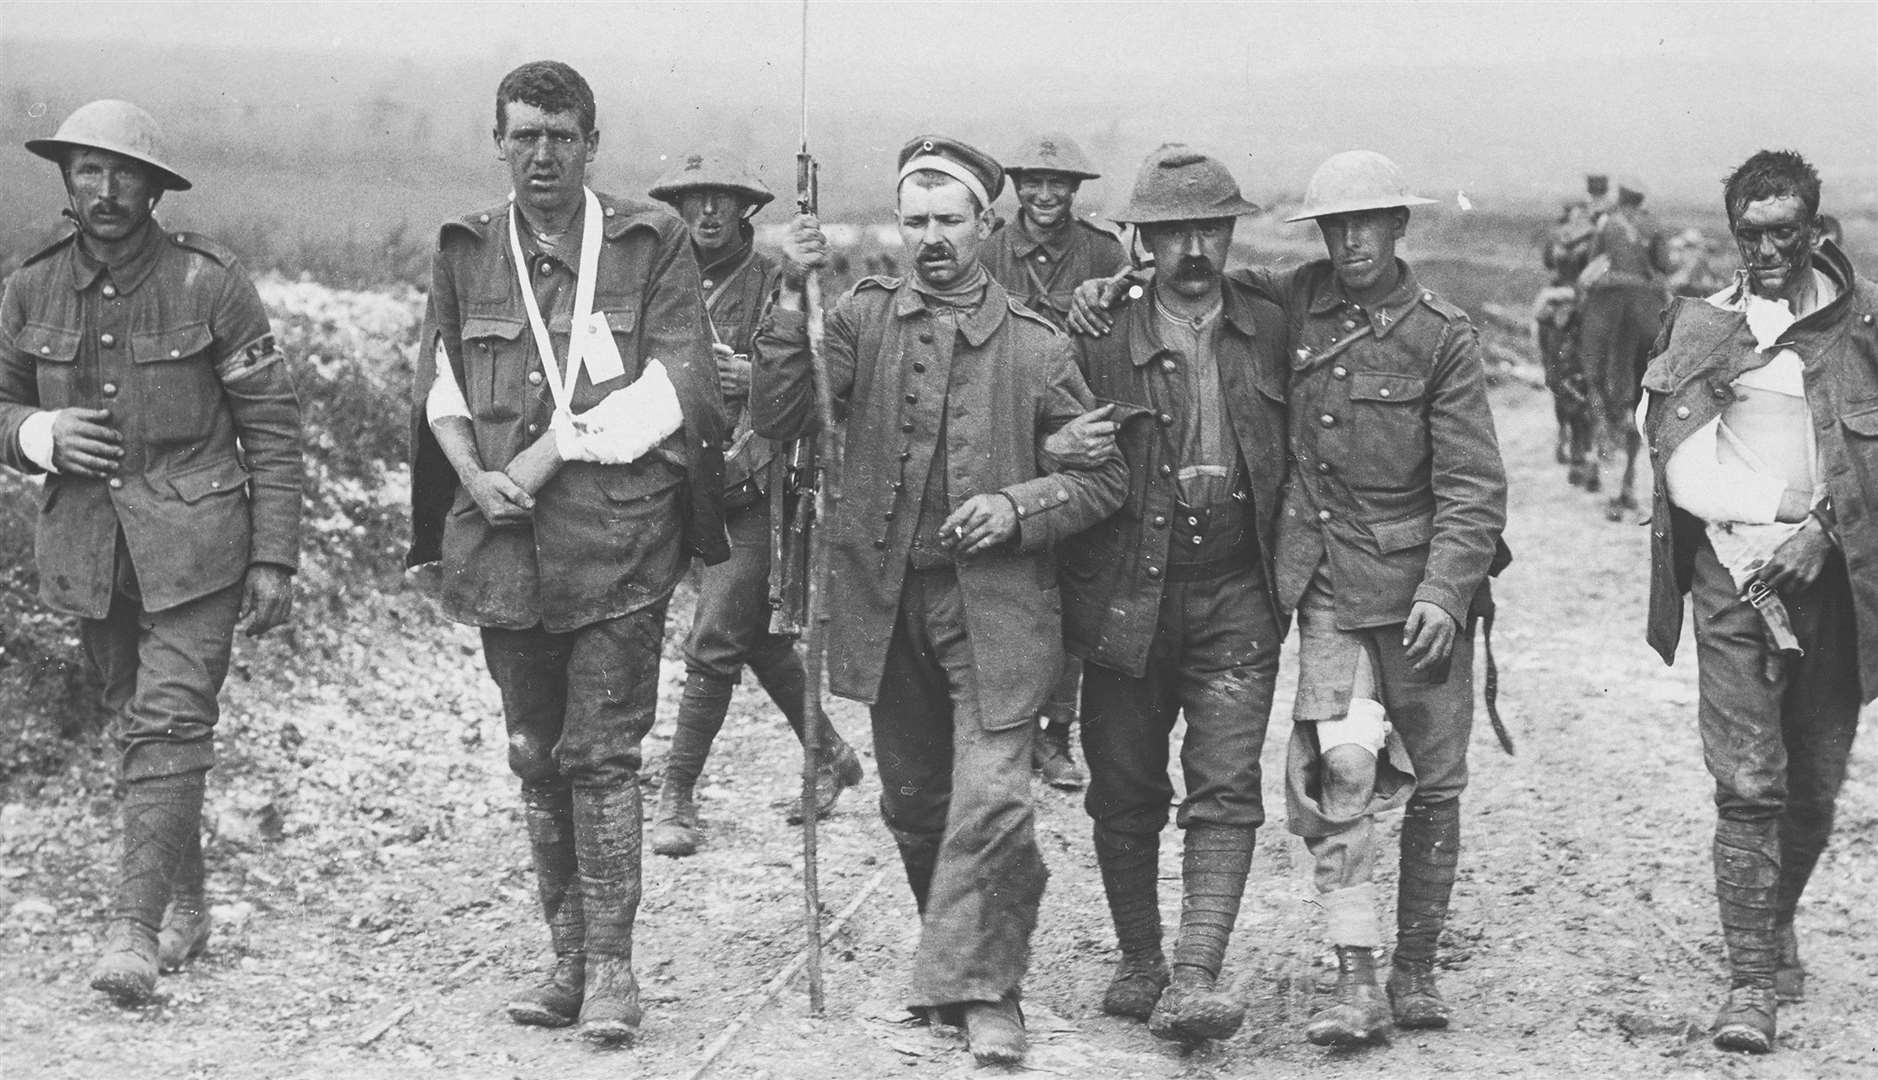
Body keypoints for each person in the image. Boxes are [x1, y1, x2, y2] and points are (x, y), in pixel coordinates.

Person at [1072, 151, 1507, 1045]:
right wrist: (1110, 284)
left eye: (1369, 222)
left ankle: (1415, 969)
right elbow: (1190, 283)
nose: (1352, 241)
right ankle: (1356, 983)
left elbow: (1473, 485)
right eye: (1335, 225)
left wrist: (1448, 590)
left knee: (1438, 783)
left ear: (1400, 226)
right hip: (1325, 594)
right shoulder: (1294, 299)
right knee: (1340, 778)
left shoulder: (1441, 334)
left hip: (1421, 595)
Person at [751, 135, 1127, 1066]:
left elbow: (1104, 477)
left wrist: (1017, 505)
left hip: (997, 612)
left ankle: (985, 990)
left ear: (985, 224)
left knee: (992, 801)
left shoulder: (1039, 349)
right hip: (884, 602)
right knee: (916, 806)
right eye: (914, 222)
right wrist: (786, 295)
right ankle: (955, 959)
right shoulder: (857, 320)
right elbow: (779, 415)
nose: (930, 239)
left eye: (949, 222)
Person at [406, 61, 728, 1046]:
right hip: (502, 543)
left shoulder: (648, 241)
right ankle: (568, 961)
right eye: (523, 134)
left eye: (561, 134)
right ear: (498, 142)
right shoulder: (466, 247)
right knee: (532, 755)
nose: (541, 152)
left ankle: (616, 975)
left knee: (602, 754)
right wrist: (470, 471)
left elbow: (676, 385)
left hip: (618, 540)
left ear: (593, 143)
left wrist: (547, 456)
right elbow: (441, 379)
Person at [0, 100, 303, 1005]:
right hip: (90, 555)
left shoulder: (209, 282)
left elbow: (274, 428)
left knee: (170, 723)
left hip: (200, 548)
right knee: (141, 730)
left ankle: (131, 931)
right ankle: (185, 900)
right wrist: (39, 432)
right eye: (87, 171)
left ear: (155, 188)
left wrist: (274, 557)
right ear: (66, 180)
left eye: (124, 172)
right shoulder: (30, 285)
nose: (105, 190)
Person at [1639, 149, 1876, 1055]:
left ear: (1816, 227)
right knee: (1749, 787)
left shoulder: (1865, 325)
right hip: (1737, 581)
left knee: (1812, 790)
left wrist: (1825, 532)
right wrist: (1778, 518)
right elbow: (1677, 459)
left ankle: (1775, 921)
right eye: (1751, 233)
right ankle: (1748, 985)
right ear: (1734, 231)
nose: (1768, 249)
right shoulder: (1704, 328)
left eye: (1785, 231)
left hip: (1841, 587)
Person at [1052, 145, 1288, 1045]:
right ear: (1140, 242)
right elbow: (1049, 428)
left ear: (1230, 231)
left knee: (1226, 786)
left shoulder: (1271, 319)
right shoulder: (1096, 332)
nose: (1194, 248)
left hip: (1237, 590)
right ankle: (1140, 956)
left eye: (1210, 228)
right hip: (1124, 595)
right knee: (1122, 785)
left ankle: (1195, 973)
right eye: (1172, 232)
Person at [643, 150, 861, 858]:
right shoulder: (659, 281)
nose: (707, 211)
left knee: (714, 638)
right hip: (679, 474)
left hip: (757, 479)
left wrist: (758, 372)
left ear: (746, 209)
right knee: (756, 635)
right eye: (694, 198)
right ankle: (828, 752)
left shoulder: (776, 280)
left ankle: (676, 796)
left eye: (723, 198)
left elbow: (820, 374)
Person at [980, 131, 1129, 791]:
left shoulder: (1102, 253)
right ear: (1015, 185)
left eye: (1059, 183)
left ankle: (1057, 736)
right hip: (1004, 434)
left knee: (1073, 590)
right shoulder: (984, 254)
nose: (1045, 195)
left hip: (1081, 436)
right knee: (1010, 591)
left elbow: (1126, 341)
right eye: (1033, 182)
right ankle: (1007, 730)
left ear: (1076, 189)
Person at [1579, 175, 1672, 516]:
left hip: (1609, 300)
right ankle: (1630, 482)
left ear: (1621, 196)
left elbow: (1593, 259)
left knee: (1579, 328)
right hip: (1645, 305)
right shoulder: (1653, 225)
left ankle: (1594, 456)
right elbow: (1664, 265)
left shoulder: (1606, 222)